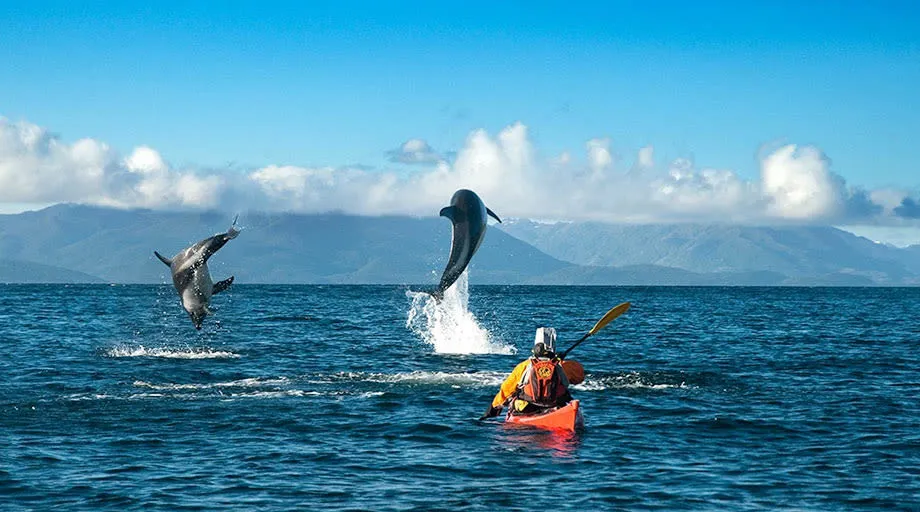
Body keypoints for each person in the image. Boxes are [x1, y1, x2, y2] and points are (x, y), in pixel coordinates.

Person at [480, 327, 584, 420]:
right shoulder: (564, 366)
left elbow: (506, 389)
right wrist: (561, 361)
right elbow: (580, 377)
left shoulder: (524, 366)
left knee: (516, 399)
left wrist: (493, 408)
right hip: (555, 406)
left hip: (528, 408)